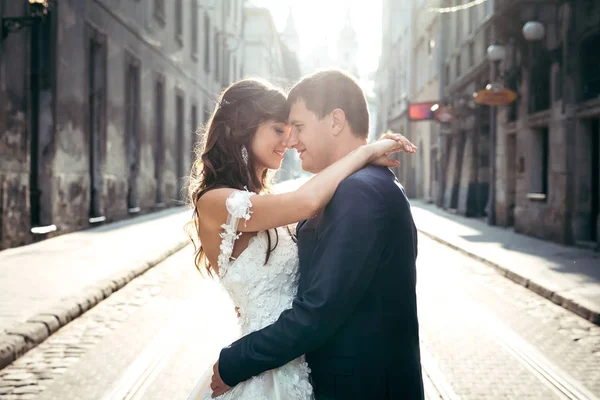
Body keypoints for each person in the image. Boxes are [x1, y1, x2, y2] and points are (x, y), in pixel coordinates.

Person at [187, 74, 419, 400]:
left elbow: (318, 308)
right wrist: (364, 153)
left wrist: (235, 361)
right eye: (279, 129)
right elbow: (305, 204)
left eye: (295, 127)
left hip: (318, 373)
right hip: (269, 369)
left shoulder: (359, 192)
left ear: (335, 121)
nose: (290, 140)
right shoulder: (219, 201)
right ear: (243, 128)